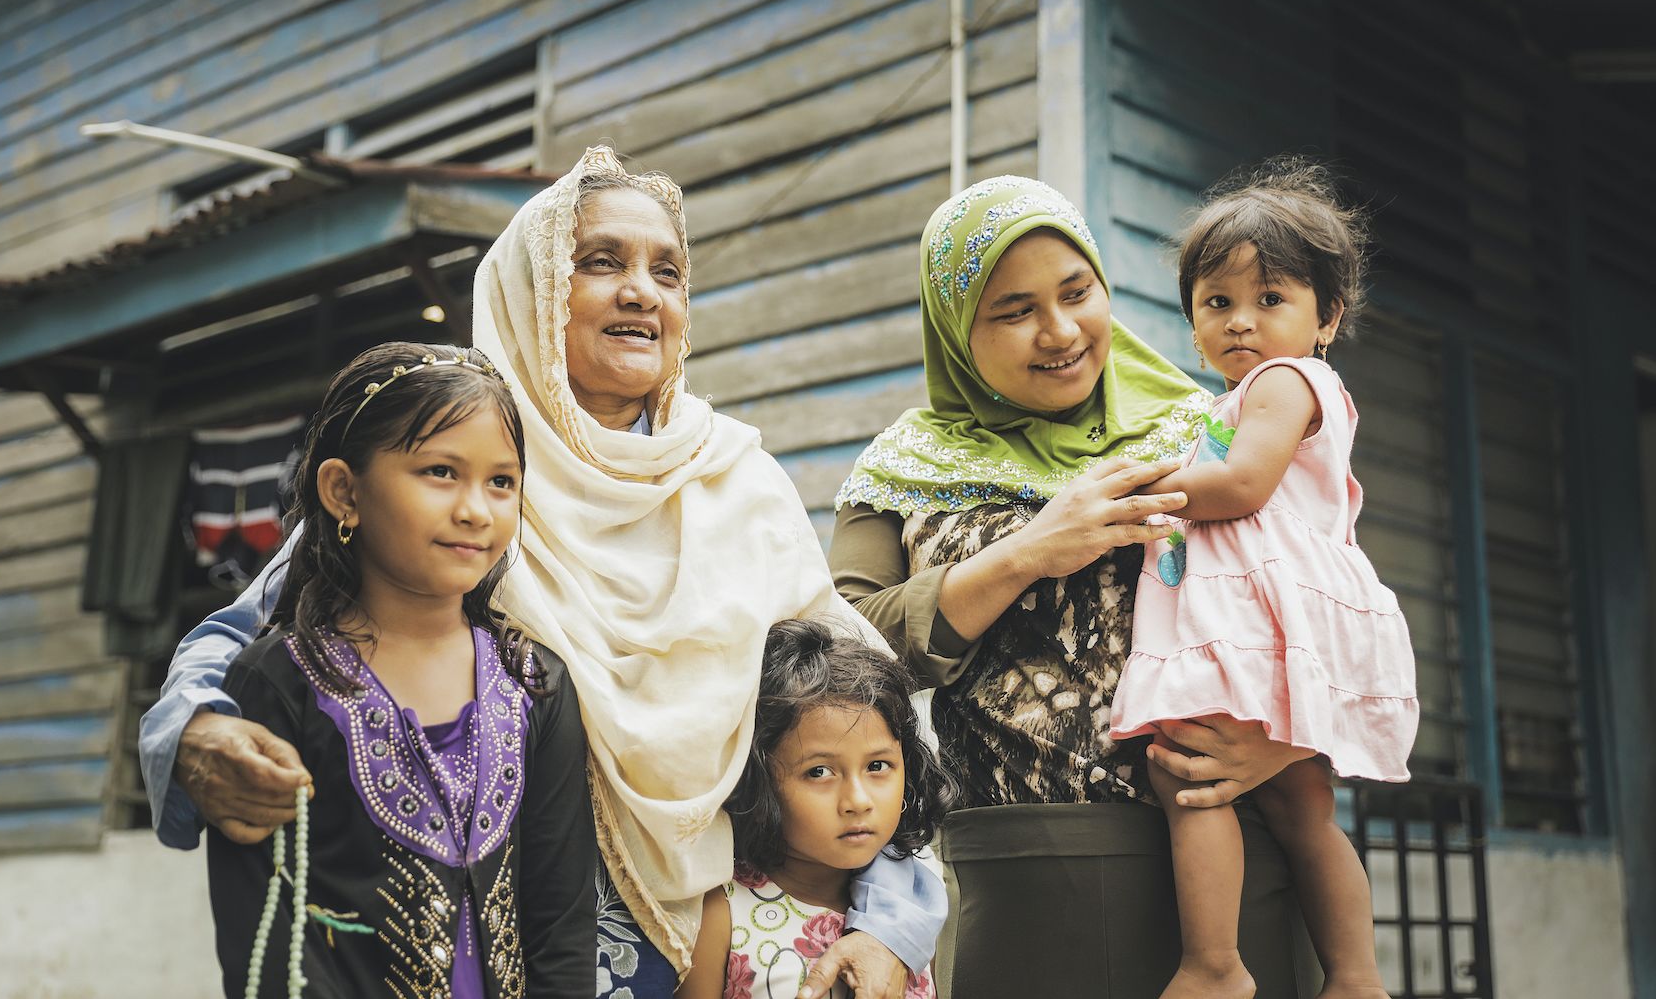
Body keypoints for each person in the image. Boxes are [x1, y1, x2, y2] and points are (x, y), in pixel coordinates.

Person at [142, 148, 945, 999]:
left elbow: (866, 713)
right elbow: (239, 639)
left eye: (666, 271)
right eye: (601, 262)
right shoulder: (462, 468)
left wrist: (890, 922)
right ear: (533, 289)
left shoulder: (739, 485)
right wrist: (193, 732)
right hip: (492, 955)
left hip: (732, 950)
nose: (641, 291)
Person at [831, 175, 1324, 999]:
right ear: (958, 331)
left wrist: (1289, 742)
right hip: (1024, 883)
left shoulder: (1217, 432)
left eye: (1076, 292)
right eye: (1014, 310)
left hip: (1231, 874)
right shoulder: (903, 469)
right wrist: (1026, 552)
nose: (1059, 331)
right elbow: (846, 653)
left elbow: (1335, 609)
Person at [1109, 161, 1416, 999]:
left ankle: (1214, 966)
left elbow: (1243, 485)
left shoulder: (1285, 382)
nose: (1242, 321)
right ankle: (1355, 977)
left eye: (1270, 299)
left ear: (1329, 316)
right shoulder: (1249, 392)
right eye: (1217, 303)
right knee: (1302, 808)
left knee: (1189, 781)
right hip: (1279, 621)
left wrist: (1137, 489)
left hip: (1258, 621)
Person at [206, 341, 594, 998]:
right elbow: (269, 942)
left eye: (501, 481)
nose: (476, 508)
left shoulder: (537, 684)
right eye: (441, 471)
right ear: (343, 490)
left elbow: (560, 923)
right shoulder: (280, 683)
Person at [680, 621, 957, 999]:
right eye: (819, 772)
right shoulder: (722, 912)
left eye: (877, 766)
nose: (858, 800)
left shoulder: (911, 913)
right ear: (760, 780)